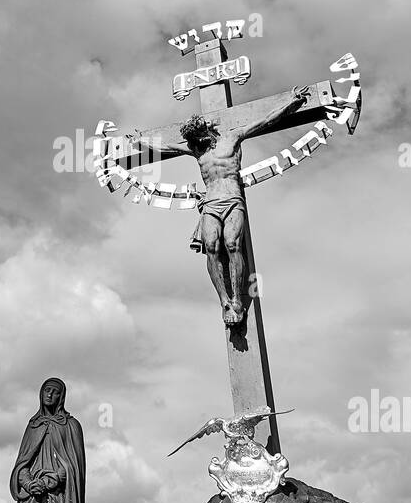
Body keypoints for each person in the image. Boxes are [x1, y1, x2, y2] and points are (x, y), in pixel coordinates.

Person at [130, 86, 307, 326]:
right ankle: (224, 300)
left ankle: (238, 299)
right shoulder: (196, 150)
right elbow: (167, 147)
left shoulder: (232, 138)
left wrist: (291, 103)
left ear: (209, 130)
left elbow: (265, 120)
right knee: (211, 248)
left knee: (233, 245)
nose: (197, 141)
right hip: (211, 203)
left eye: (199, 136)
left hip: (232, 199)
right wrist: (143, 142)